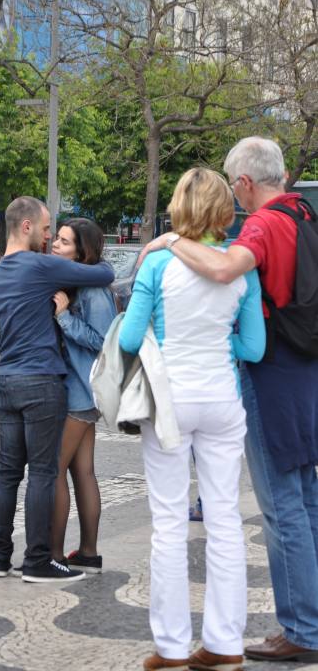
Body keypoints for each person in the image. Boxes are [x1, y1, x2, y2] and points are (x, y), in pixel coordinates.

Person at [143, 138, 318, 665]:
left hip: (273, 377)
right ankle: (307, 620)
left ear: (244, 183)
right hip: (308, 374)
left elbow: (224, 269)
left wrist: (171, 241)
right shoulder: (307, 213)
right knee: (307, 501)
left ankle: (303, 628)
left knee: (281, 505)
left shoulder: (265, 224)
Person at [119, 168, 265, 671]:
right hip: (223, 400)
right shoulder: (241, 267)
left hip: (170, 403)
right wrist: (218, 342)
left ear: (179, 207)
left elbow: (129, 339)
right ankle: (226, 643)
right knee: (225, 522)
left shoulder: (159, 262)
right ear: (225, 211)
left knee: (168, 525)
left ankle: (172, 647)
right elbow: (254, 346)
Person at [0, 196, 114, 583]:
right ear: (26, 227)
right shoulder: (40, 266)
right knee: (42, 472)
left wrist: (17, 345)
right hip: (41, 381)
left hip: (7, 380)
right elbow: (103, 276)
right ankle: (39, 560)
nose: (48, 235)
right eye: (45, 228)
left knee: (7, 472)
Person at [50, 218, 117, 573]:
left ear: (82, 249)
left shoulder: (92, 290)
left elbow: (103, 339)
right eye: (56, 239)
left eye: (63, 241)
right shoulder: (76, 282)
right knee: (82, 471)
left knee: (54, 470)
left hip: (81, 391)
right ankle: (88, 553)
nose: (55, 245)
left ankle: (55, 555)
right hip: (77, 389)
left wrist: (64, 317)